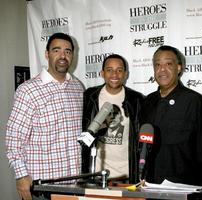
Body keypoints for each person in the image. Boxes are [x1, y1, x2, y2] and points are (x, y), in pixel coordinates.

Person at [6, 32, 84, 200]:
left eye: (68, 51)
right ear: (47, 54)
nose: (63, 55)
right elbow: (14, 137)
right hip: (42, 186)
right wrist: (21, 175)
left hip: (74, 185)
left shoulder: (77, 87)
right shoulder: (28, 90)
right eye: (57, 50)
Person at [140, 45, 202, 186]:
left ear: (179, 67)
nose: (162, 69)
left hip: (184, 188)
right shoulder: (147, 102)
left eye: (168, 64)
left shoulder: (194, 102)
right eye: (157, 64)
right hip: (150, 186)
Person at [81, 54, 144, 184]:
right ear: (102, 73)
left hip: (126, 177)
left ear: (126, 74)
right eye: (109, 70)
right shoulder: (89, 96)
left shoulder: (136, 100)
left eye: (119, 70)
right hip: (96, 175)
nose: (114, 74)